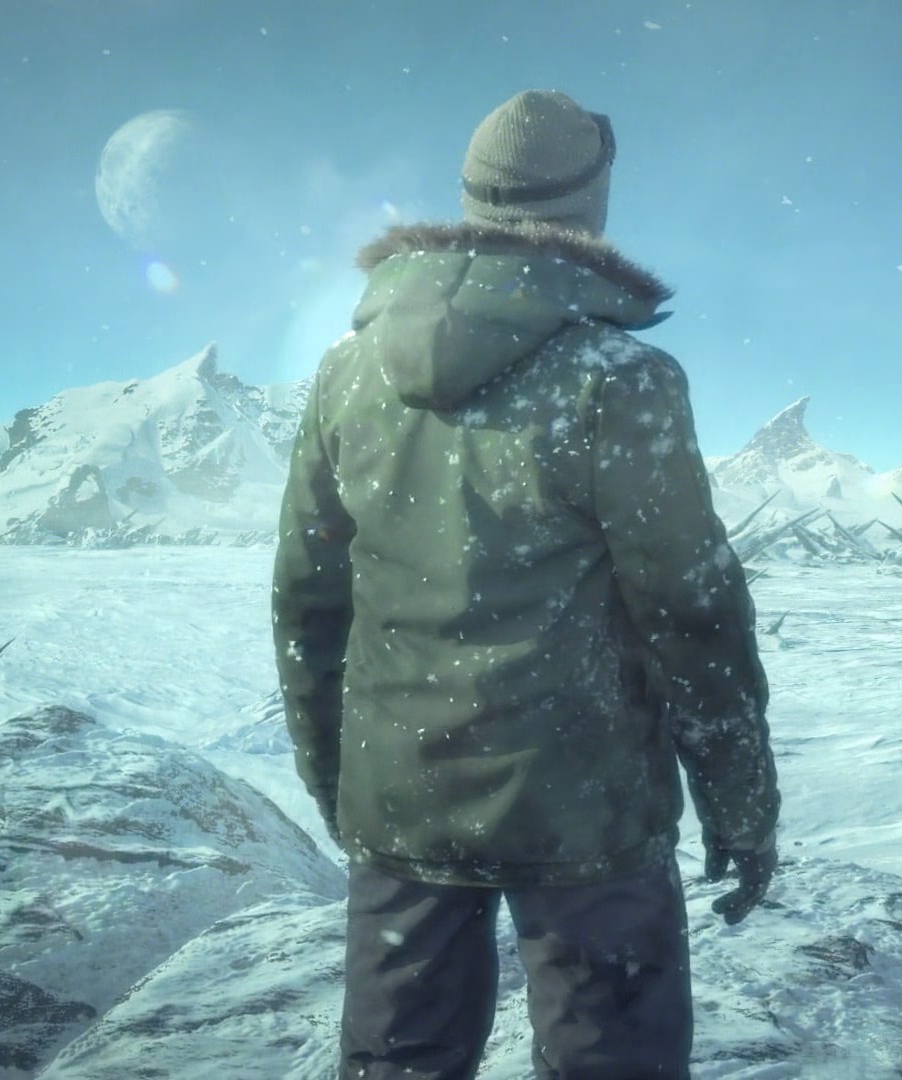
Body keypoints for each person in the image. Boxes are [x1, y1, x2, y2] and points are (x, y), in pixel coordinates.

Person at [272, 88, 781, 1080]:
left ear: (471, 195)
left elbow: (309, 601)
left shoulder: (347, 374)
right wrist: (740, 802)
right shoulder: (619, 377)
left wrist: (342, 782)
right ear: (591, 207)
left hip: (404, 798)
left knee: (398, 1061)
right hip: (589, 815)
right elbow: (688, 610)